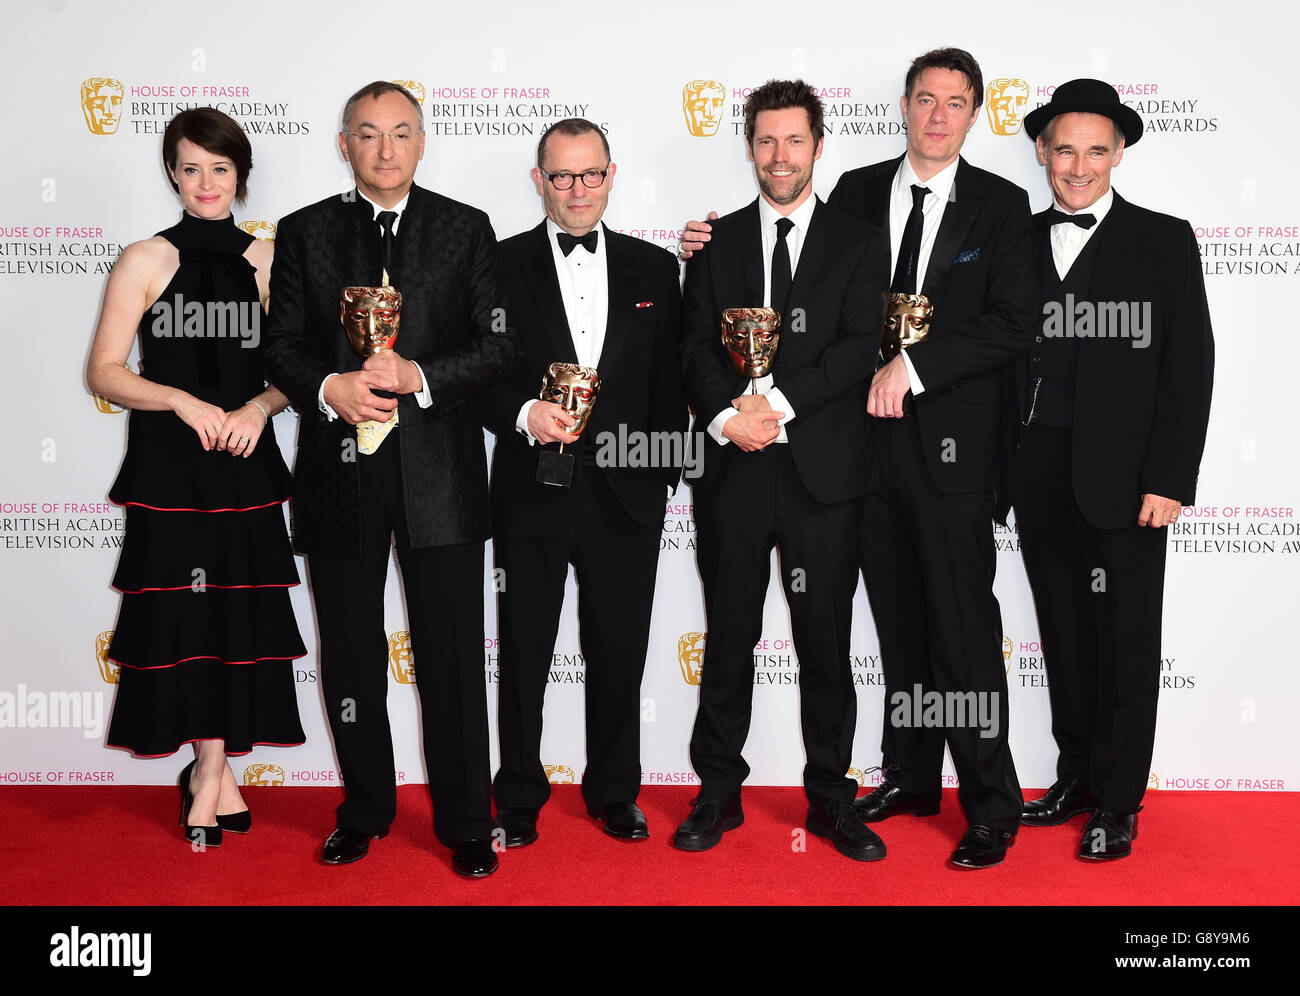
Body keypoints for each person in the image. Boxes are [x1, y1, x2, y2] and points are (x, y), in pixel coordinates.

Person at [681, 50, 1035, 869]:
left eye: (954, 102)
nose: (937, 115)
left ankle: (989, 802)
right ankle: (906, 778)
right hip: (857, 459)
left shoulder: (1003, 206)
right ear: (903, 108)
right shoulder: (859, 192)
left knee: (958, 633)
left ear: (974, 114)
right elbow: (719, 331)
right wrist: (733, 403)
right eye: (924, 99)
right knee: (895, 631)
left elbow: (1012, 324)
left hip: (940, 452)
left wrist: (906, 369)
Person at [263, 81, 516, 877]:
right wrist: (327, 388)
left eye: (400, 133)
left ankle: (468, 822)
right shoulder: (305, 232)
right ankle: (365, 810)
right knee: (350, 654)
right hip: (339, 473)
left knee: (450, 655)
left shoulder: (466, 228)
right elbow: (278, 347)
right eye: (367, 134)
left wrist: (421, 375)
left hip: (438, 471)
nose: (384, 149)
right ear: (344, 144)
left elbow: (497, 345)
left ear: (422, 141)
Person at [674, 80, 888, 862]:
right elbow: (693, 347)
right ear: (750, 147)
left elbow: (859, 346)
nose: (779, 156)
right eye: (765, 141)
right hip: (734, 471)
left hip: (824, 480)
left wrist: (779, 407)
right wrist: (732, 419)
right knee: (728, 642)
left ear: (819, 147)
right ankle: (718, 795)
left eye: (794, 141)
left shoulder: (861, 242)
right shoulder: (716, 242)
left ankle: (834, 800)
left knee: (826, 648)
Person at [93, 107, 305, 848]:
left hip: (245, 463)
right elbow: (106, 371)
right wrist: (180, 399)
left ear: (240, 175)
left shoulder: (274, 260)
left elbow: (295, 372)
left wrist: (257, 405)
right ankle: (212, 774)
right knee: (185, 621)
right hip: (170, 471)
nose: (206, 183)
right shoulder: (143, 259)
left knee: (238, 621)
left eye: (220, 169)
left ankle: (212, 774)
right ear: (172, 174)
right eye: (191, 169)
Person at [1013, 79, 1214, 859]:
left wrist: (1169, 478)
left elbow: (1188, 366)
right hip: (1036, 475)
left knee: (1126, 641)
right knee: (1063, 634)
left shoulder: (1163, 239)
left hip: (1129, 483)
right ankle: (1076, 778)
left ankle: (1120, 801)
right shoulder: (1015, 240)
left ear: (1118, 154)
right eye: (1065, 149)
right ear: (1042, 152)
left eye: (1096, 150)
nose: (1079, 165)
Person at [481, 119, 687, 847]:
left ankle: (614, 791)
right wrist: (520, 412)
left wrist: (661, 474)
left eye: (590, 174)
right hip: (529, 490)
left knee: (619, 652)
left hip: (628, 495)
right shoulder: (497, 265)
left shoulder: (657, 268)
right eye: (561, 176)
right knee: (524, 650)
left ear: (611, 175)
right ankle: (516, 797)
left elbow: (671, 384)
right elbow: (471, 373)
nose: (576, 190)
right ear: (538, 181)